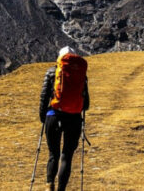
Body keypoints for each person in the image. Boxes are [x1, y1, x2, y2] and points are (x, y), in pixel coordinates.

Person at [39, 46, 90, 191]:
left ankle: (50, 186)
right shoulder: (81, 75)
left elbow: (44, 98)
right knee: (66, 156)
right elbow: (86, 104)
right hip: (74, 119)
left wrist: (44, 118)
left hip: (53, 116)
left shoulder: (52, 72)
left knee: (53, 154)